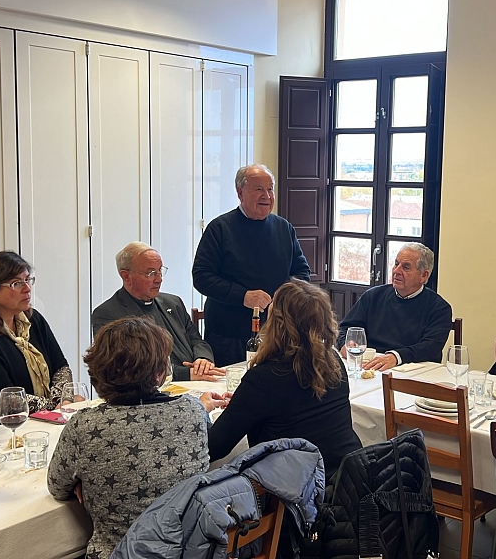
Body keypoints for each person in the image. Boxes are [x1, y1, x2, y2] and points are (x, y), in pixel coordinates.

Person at [48, 316, 227, 559]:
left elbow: (57, 488)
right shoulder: (192, 410)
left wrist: (85, 480)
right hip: (187, 551)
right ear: (158, 374)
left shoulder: (84, 426)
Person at [208, 278, 361, 480]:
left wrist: (201, 410)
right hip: (345, 482)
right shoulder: (333, 361)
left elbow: (214, 447)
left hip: (292, 497)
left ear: (275, 325)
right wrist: (243, 404)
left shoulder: (265, 377)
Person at [192, 164, 311, 367]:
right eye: (258, 189)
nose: (267, 195)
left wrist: (283, 296)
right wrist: (243, 296)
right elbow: (201, 277)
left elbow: (302, 273)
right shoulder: (219, 228)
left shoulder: (284, 228)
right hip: (228, 334)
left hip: (275, 330)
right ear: (240, 192)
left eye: (270, 189)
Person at [92, 242, 224, 382]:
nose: (159, 279)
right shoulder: (108, 314)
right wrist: (187, 374)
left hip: (198, 381)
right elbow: (126, 368)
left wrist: (202, 360)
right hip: (152, 391)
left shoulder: (174, 303)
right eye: (151, 273)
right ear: (126, 276)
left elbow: (196, 340)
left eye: (160, 270)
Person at [0, 251, 73, 423]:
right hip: (7, 428)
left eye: (28, 280)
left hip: (49, 419)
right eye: (16, 283)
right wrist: (51, 407)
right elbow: (6, 396)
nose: (27, 288)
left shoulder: (33, 319)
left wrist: (62, 401)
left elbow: (60, 367)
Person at [338, 242, 452, 370]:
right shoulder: (373, 296)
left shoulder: (439, 308)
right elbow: (345, 329)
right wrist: (345, 344)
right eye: (396, 264)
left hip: (413, 373)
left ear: (423, 275)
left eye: (406, 267)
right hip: (369, 366)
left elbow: (430, 348)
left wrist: (396, 357)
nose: (396, 271)